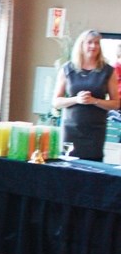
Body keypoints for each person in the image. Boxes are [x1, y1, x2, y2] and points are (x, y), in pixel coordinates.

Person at [52, 29, 119, 161]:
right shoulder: (67, 69)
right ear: (81, 45)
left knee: (92, 170)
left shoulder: (108, 71)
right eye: (89, 43)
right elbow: (56, 102)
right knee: (68, 168)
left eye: (96, 43)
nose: (93, 46)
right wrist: (77, 99)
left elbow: (116, 103)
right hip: (71, 130)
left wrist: (94, 101)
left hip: (95, 131)